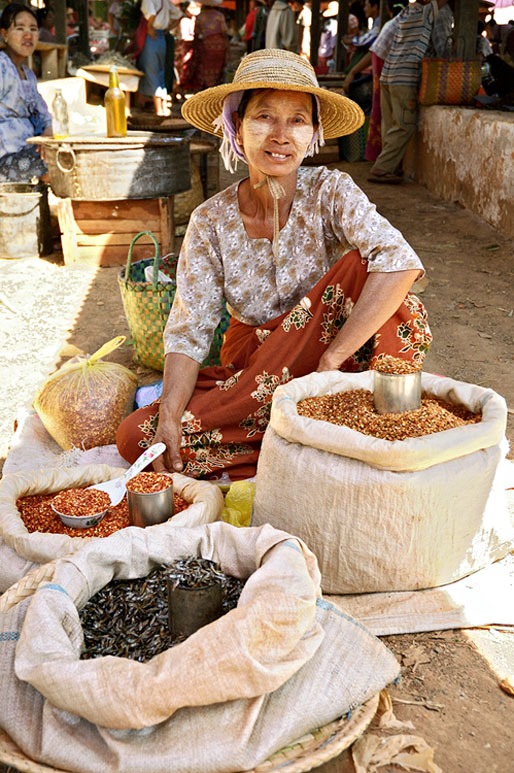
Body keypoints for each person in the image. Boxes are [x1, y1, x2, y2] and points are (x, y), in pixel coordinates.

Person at [116, 49, 432, 481]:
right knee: (140, 436)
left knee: (376, 280)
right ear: (237, 126)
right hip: (255, 371)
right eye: (264, 116)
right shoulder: (210, 220)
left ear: (314, 132)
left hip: (328, 360)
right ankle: (314, 445)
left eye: (298, 120)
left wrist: (331, 361)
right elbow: (190, 332)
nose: (280, 135)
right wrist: (170, 411)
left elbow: (399, 263)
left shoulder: (330, 190)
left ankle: (356, 428)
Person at [368, 0, 453, 184]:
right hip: (405, 77)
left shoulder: (408, 10)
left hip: (389, 73)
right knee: (404, 124)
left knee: (390, 123)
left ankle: (389, 165)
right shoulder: (437, 12)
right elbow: (442, 46)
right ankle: (382, 167)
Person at [0, 3, 52, 183]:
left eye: (33, 29)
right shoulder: (1, 67)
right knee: (59, 167)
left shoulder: (28, 75)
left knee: (68, 156)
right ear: (4, 34)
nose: (28, 35)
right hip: (5, 159)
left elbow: (44, 117)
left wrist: (47, 139)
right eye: (19, 28)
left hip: (27, 152)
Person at [364, 0, 408, 162]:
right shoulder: (407, 20)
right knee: (387, 113)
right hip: (387, 65)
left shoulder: (394, 22)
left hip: (386, 65)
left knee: (384, 111)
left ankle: (378, 155)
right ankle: (380, 157)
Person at [138, 0, 176, 116]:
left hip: (152, 36)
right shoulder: (164, 1)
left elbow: (152, 14)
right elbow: (179, 15)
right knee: (160, 72)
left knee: (151, 72)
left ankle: (159, 110)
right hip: (161, 37)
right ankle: (163, 108)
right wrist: (168, 29)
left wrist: (149, 27)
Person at [192, 0, 228, 89]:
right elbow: (224, 31)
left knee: (205, 66)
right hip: (219, 44)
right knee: (218, 65)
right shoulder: (219, 15)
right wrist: (227, 45)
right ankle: (215, 84)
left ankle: (207, 85)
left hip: (205, 44)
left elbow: (196, 32)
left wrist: (195, 46)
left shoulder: (200, 16)